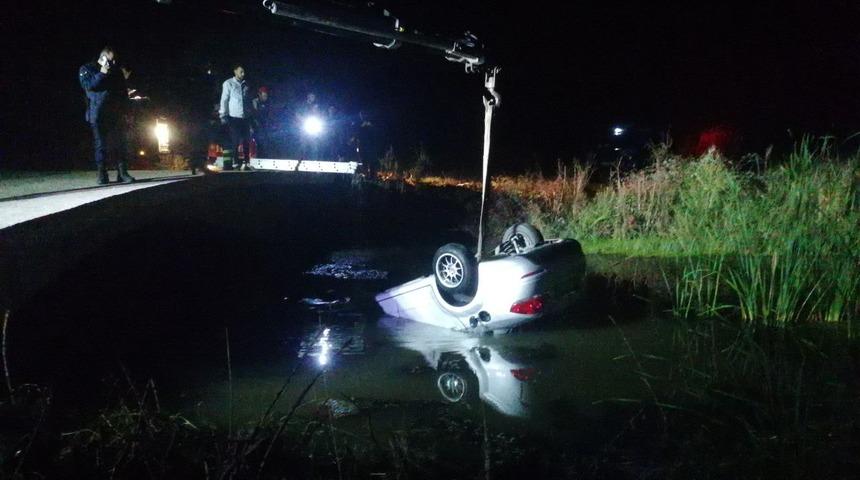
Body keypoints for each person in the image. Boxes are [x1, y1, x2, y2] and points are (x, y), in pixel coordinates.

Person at [78, 46, 135, 184]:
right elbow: (89, 86)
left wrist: (127, 112)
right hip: (98, 114)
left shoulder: (116, 71)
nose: (113, 62)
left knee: (120, 143)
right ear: (102, 58)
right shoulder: (87, 68)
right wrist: (102, 73)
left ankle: (122, 173)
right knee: (100, 144)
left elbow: (122, 93)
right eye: (111, 60)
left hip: (115, 113)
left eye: (115, 60)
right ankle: (102, 174)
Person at [219, 64, 254, 170]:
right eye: (241, 71)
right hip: (234, 117)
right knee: (235, 140)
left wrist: (251, 114)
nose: (243, 74)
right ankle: (235, 161)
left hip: (245, 117)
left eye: (244, 72)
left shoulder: (246, 84)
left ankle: (246, 162)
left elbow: (249, 100)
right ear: (235, 71)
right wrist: (223, 114)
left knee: (246, 140)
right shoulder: (228, 83)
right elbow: (224, 99)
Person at [252, 86, 272, 158]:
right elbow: (253, 114)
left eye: (266, 95)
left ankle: (264, 156)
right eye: (264, 95)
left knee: (265, 142)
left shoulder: (267, 103)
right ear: (259, 94)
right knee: (257, 142)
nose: (265, 97)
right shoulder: (255, 102)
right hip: (256, 126)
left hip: (264, 126)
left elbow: (269, 115)